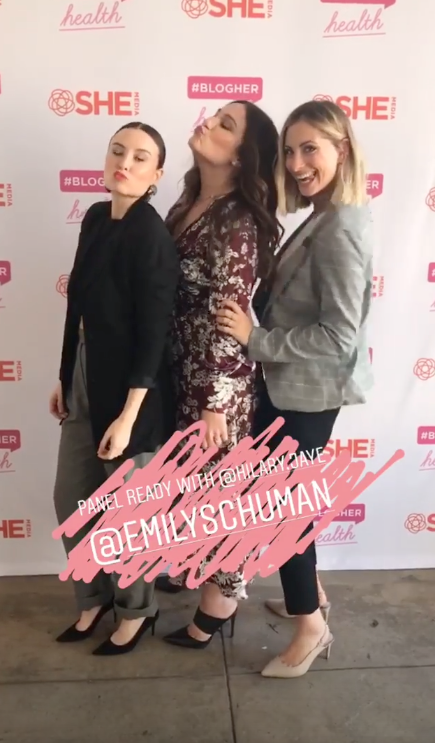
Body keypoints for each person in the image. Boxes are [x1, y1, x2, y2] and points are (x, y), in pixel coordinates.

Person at [216, 99, 374, 677]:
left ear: (342, 150)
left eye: (311, 149)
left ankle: (310, 627)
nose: (297, 163)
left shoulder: (342, 227)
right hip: (293, 389)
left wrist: (255, 340)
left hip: (307, 394)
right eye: (289, 150)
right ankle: (312, 595)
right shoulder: (324, 214)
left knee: (284, 512)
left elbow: (338, 337)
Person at [51, 121, 179, 656]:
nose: (124, 162)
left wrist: (128, 417)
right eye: (117, 151)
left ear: (156, 175)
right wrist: (64, 375)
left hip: (133, 394)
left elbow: (154, 335)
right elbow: (76, 305)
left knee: (128, 516)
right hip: (86, 376)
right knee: (71, 499)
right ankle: (94, 598)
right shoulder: (95, 217)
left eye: (140, 157)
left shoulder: (152, 235)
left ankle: (136, 611)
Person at [158, 100, 283, 649]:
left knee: (218, 498)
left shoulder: (236, 220)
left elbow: (226, 320)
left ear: (240, 157)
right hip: (178, 372)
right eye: (216, 115)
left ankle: (220, 604)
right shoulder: (189, 199)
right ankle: (195, 568)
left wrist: (213, 401)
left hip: (216, 386)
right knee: (188, 489)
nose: (208, 121)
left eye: (226, 125)